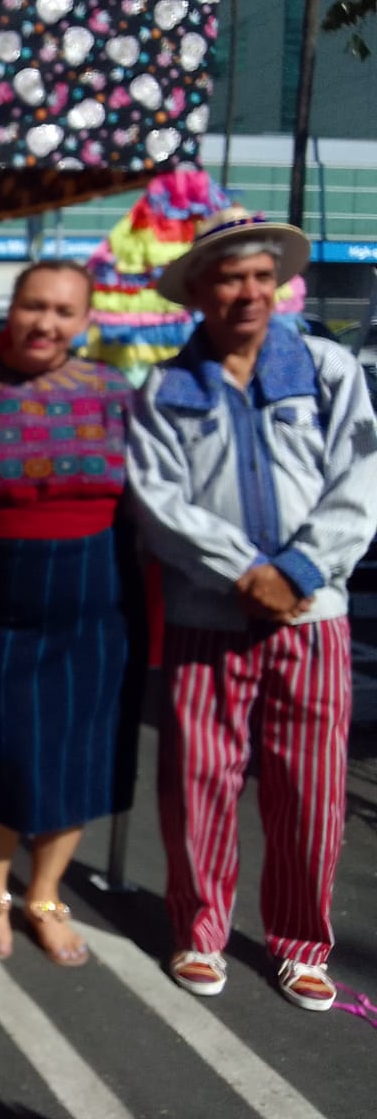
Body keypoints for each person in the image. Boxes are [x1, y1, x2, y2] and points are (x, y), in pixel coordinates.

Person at [127, 207, 377, 1011]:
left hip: (313, 617)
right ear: (198, 291)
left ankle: (301, 943)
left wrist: (300, 569)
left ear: (280, 285)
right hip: (211, 616)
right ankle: (200, 931)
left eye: (263, 277)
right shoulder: (164, 388)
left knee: (311, 788)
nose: (249, 292)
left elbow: (360, 483)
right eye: (230, 277)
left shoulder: (330, 368)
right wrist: (246, 573)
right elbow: (158, 504)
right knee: (198, 781)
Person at [0, 261, 139, 966]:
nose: (45, 324)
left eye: (62, 311)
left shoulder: (112, 389)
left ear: (85, 322)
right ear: (11, 307)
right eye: (33, 306)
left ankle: (45, 895)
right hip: (5, 584)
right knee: (13, 742)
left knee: (82, 745)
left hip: (98, 581)